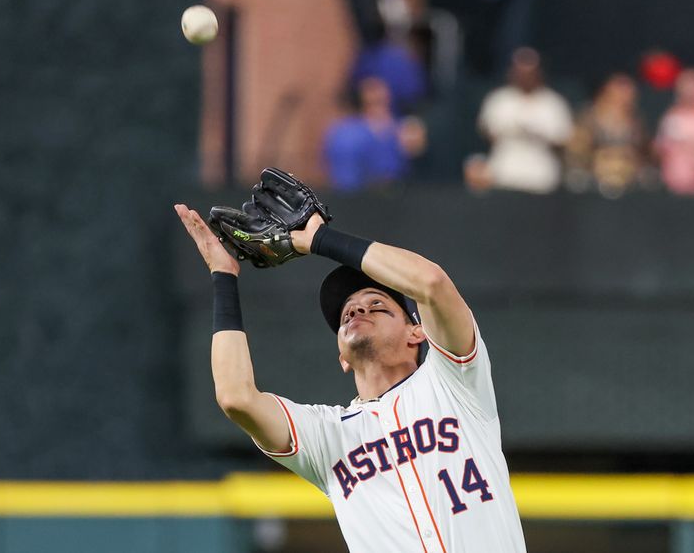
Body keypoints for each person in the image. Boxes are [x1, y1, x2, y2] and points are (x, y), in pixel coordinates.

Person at [173, 203, 526, 553]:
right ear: (342, 358)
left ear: (416, 332)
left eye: (376, 304)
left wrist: (320, 239)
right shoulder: (329, 435)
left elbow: (431, 282)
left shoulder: (455, 382)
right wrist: (223, 276)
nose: (357, 309)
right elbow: (236, 397)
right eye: (347, 314)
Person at [466, 47, 573, 194]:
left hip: (542, 177)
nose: (525, 77)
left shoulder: (553, 103)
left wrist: (535, 133)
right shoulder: (499, 99)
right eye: (521, 71)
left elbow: (563, 139)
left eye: (530, 72)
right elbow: (487, 132)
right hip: (505, 174)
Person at [324, 76, 426, 191]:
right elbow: (345, 177)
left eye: (383, 101)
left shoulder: (402, 128)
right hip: (358, 198)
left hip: (398, 197)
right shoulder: (347, 133)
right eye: (375, 102)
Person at [565, 73, 649, 197]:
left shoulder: (635, 121)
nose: (626, 96)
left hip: (627, 185)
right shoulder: (589, 117)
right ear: (606, 91)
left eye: (629, 92)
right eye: (620, 89)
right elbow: (576, 150)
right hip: (593, 184)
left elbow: (642, 151)